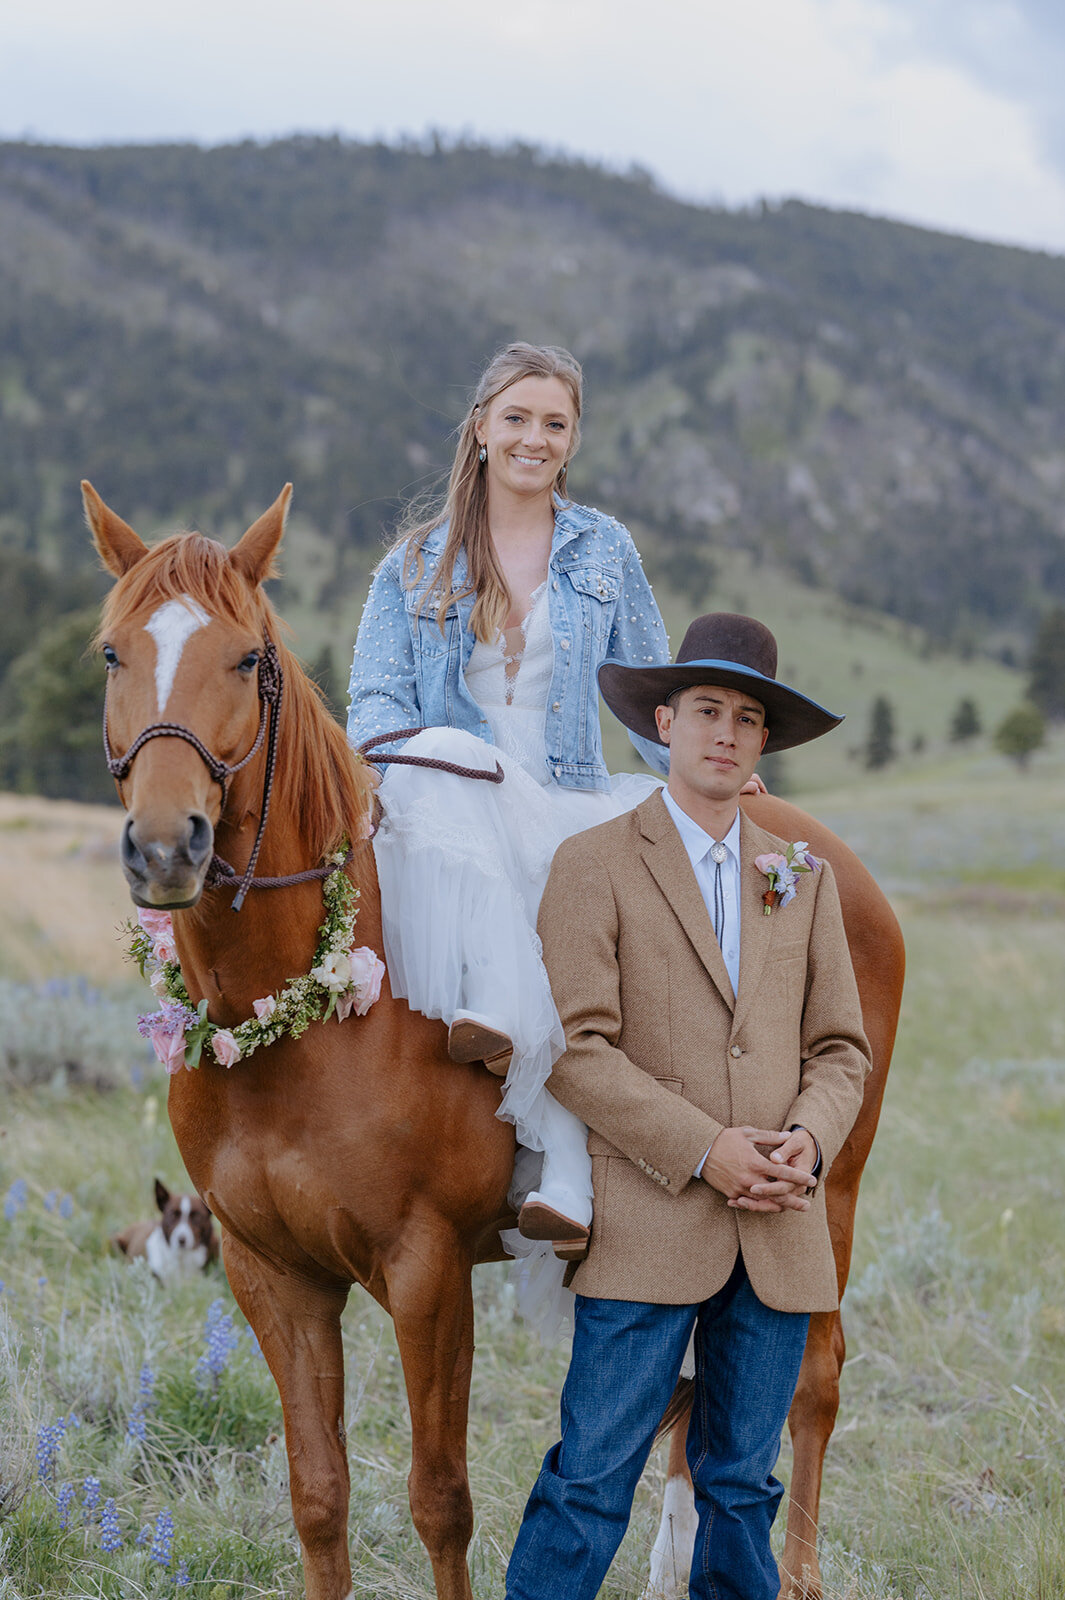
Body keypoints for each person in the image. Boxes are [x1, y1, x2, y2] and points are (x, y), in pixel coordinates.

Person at [505, 612, 872, 1600]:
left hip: (780, 1233)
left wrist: (808, 1138)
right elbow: (576, 1052)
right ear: (663, 722)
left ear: (762, 743)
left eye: (747, 718)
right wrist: (708, 1148)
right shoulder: (594, 864)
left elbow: (841, 1048)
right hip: (651, 1224)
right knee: (589, 1481)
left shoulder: (805, 878)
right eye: (705, 709)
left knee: (743, 1487)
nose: (725, 731)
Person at [346, 342, 671, 1254]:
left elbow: (646, 686)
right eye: (517, 418)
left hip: (566, 793)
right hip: (453, 798)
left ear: (572, 441)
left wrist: (695, 761)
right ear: (481, 428)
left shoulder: (604, 549)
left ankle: (564, 1164)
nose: (534, 437)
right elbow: (373, 702)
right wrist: (407, 761)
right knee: (452, 755)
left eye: (554, 423)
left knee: (622, 854)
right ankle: (556, 1154)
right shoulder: (412, 564)